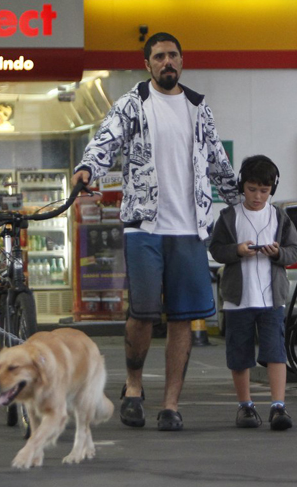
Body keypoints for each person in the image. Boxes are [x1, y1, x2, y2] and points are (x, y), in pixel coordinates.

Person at [71, 32, 239, 431]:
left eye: (173, 56)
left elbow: (217, 160)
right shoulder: (132, 105)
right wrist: (87, 169)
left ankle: (171, 405)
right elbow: (105, 141)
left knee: (183, 318)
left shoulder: (199, 107)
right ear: (148, 64)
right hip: (144, 226)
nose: (168, 62)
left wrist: (246, 199)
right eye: (160, 56)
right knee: (143, 314)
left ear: (182, 61)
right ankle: (132, 387)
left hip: (190, 230)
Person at [209, 155, 297, 430]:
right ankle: (245, 405)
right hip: (239, 299)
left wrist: (278, 254)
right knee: (239, 355)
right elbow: (216, 248)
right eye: (251, 189)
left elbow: (294, 251)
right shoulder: (229, 217)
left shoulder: (280, 217)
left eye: (264, 190)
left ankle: (278, 406)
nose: (258, 196)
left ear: (272, 189)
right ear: (241, 186)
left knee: (275, 352)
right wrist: (237, 251)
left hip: (273, 299)